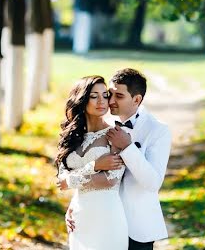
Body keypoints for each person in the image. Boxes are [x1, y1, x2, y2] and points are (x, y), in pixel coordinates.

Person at [64, 68, 172, 250]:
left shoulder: (158, 130)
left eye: (119, 96)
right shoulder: (102, 122)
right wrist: (75, 204)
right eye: (110, 94)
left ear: (136, 99)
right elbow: (89, 167)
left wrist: (128, 148)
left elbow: (153, 183)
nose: (110, 101)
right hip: (102, 220)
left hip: (137, 227)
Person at [55, 75, 128, 250]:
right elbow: (61, 179)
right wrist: (95, 166)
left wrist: (71, 181)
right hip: (79, 216)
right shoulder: (70, 136)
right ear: (81, 99)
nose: (101, 101)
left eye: (105, 95)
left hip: (107, 216)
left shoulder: (115, 135)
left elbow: (110, 179)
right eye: (94, 96)